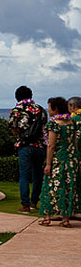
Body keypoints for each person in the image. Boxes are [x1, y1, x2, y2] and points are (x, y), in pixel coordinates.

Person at [38, 97, 80, 227]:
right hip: (71, 159)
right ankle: (65, 219)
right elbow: (74, 143)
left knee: (51, 186)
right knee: (68, 187)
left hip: (58, 159)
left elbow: (51, 145)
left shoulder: (54, 124)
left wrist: (48, 163)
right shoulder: (71, 123)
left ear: (55, 109)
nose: (48, 110)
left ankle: (47, 217)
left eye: (49, 107)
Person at [9, 86, 48, 213]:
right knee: (38, 175)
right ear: (31, 96)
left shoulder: (16, 111)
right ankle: (34, 203)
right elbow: (44, 127)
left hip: (25, 146)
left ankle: (25, 205)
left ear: (17, 97)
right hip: (40, 146)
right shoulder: (41, 110)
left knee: (24, 176)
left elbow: (14, 130)